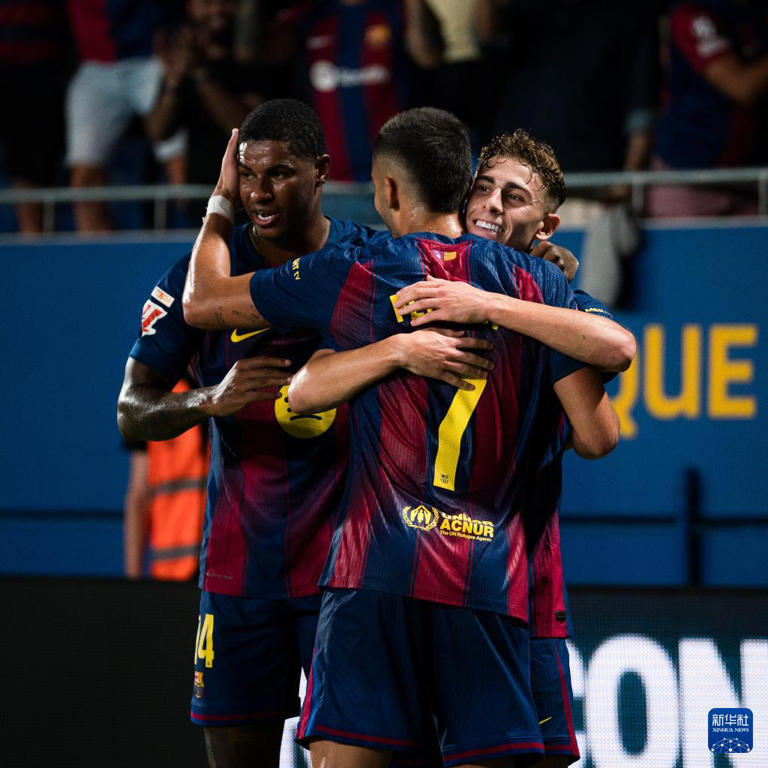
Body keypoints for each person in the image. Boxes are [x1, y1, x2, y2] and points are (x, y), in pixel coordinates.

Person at [183, 107, 620, 767]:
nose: (493, 206)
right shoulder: (545, 286)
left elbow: (208, 307)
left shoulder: (360, 268)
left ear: (387, 190)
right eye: (486, 188)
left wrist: (223, 199)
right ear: (462, 189)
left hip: (378, 571)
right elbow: (599, 429)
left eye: (514, 197)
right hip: (490, 571)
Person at [117, 98, 490, 768]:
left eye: (280, 174)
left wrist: (537, 259)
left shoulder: (371, 258)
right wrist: (210, 399)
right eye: (247, 176)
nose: (259, 193)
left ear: (321, 170)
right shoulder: (201, 272)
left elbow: (469, 272)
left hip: (353, 576)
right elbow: (131, 409)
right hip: (242, 572)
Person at [65, 0, 186, 231]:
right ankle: (99, 251)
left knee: (180, 168)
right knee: (83, 181)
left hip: (152, 58)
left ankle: (201, 243)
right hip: (95, 65)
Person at [648, 0, 768, 217]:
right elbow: (742, 87)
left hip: (750, 176)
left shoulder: (755, 12)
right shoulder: (692, 12)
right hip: (688, 177)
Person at [145, 0, 269, 186]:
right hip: (201, 192)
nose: (217, 9)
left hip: (248, 190)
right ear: (190, 6)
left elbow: (247, 131)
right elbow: (158, 132)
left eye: (225, 2)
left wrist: (201, 73)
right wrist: (173, 82)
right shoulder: (186, 61)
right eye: (207, 2)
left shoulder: (260, 59)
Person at [123, 377, 208, 580]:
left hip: (227, 566)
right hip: (172, 572)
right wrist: (132, 584)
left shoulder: (232, 382)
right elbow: (139, 496)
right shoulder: (150, 395)